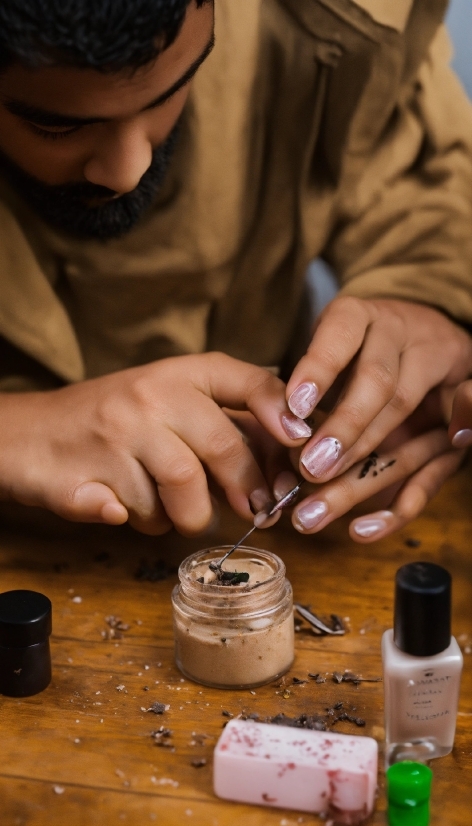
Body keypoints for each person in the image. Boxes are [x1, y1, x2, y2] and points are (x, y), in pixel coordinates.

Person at [0, 0, 471, 541]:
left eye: (174, 87)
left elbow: (419, 180)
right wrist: (19, 430)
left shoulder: (329, 18)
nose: (129, 170)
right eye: (55, 127)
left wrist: (426, 308)